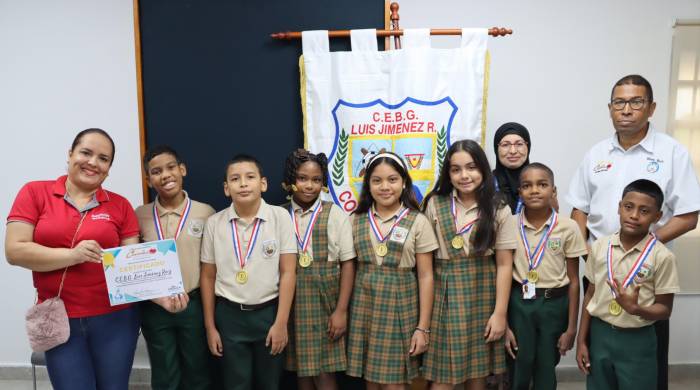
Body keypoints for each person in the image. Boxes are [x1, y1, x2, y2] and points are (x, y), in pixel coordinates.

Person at [567, 74, 700, 390]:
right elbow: (578, 210)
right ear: (610, 108)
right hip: (600, 265)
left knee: (645, 371)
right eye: (619, 102)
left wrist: (646, 248)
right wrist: (590, 253)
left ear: (651, 108)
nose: (626, 109)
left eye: (636, 102)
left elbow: (688, 216)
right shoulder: (596, 154)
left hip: (645, 274)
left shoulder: (671, 153)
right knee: (598, 362)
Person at [5, 128, 141, 390]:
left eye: (103, 158)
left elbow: (130, 266)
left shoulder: (120, 205)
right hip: (59, 319)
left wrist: (162, 295)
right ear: (70, 154)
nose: (93, 162)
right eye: (86, 153)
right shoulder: (35, 193)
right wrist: (74, 255)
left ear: (109, 168)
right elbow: (15, 251)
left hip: (116, 321)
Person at [422, 140, 517, 390]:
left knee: (477, 376)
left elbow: (505, 265)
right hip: (443, 297)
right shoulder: (434, 203)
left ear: (483, 169)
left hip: (481, 294)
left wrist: (499, 314)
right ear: (448, 173)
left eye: (471, 167)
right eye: (456, 169)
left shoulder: (498, 208)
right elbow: (425, 265)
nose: (464, 175)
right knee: (442, 377)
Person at [200, 154, 297, 390]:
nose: (243, 184)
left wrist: (281, 322)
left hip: (269, 314)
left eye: (250, 177)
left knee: (270, 383)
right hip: (230, 316)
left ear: (263, 184)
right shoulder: (214, 223)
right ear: (226, 188)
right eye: (235, 179)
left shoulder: (280, 217)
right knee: (236, 384)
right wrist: (210, 327)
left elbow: (288, 272)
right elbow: (207, 276)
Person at [576, 179, 679, 390]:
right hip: (600, 334)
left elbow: (665, 309)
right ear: (619, 207)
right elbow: (590, 296)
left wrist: (636, 308)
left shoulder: (662, 256)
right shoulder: (600, 247)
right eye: (629, 207)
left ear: (657, 217)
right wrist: (581, 340)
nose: (634, 215)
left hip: (638, 340)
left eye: (644, 211)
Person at [346, 152, 436, 389]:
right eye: (377, 180)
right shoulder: (355, 220)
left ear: (404, 182)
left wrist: (422, 327)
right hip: (364, 308)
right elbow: (348, 270)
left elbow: (426, 276)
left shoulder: (418, 221)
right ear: (368, 184)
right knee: (371, 382)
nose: (385, 187)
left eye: (392, 179)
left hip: (401, 308)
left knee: (394, 383)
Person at [134, 145, 216, 390]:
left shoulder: (206, 213)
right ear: (149, 180)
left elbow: (211, 266)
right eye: (156, 171)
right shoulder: (140, 215)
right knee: (164, 372)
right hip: (155, 306)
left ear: (183, 169)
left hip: (193, 303)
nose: (165, 175)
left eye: (171, 167)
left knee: (197, 370)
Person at [504, 163, 587, 390]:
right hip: (519, 303)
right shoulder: (508, 224)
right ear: (519, 192)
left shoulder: (568, 227)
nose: (534, 190)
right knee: (520, 363)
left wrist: (571, 328)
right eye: (527, 186)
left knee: (547, 364)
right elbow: (500, 273)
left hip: (554, 304)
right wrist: (504, 322)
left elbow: (574, 281)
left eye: (542, 185)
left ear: (554, 191)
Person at [281, 149, 356, 390]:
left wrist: (341, 310)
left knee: (324, 372)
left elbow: (347, 263)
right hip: (292, 300)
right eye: (302, 178)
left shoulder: (336, 214)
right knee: (302, 369)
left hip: (326, 300)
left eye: (316, 180)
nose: (309, 185)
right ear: (291, 180)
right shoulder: (279, 215)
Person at [493, 122, 531, 214]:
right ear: (496, 148)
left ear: (528, 146)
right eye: (505, 145)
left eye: (519, 144)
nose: (513, 151)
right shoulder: (486, 183)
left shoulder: (540, 182)